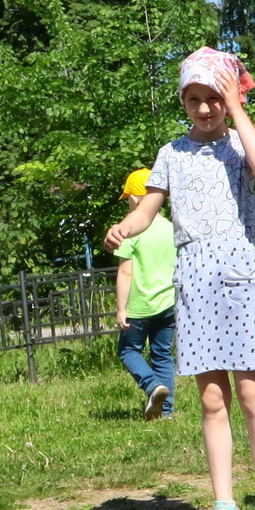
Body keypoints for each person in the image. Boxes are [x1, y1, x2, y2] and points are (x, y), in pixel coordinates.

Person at [104, 48, 255, 510]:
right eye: (194, 99)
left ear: (228, 98)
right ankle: (223, 506)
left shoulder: (240, 144)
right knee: (210, 397)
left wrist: (239, 107)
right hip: (195, 276)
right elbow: (147, 213)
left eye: (213, 98)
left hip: (241, 272)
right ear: (183, 101)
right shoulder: (170, 153)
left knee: (252, 393)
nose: (204, 109)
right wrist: (124, 228)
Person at [111, 167, 176, 421]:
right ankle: (166, 411)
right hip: (167, 304)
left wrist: (121, 309)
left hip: (139, 307)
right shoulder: (171, 228)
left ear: (137, 199)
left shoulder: (129, 231)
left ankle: (151, 386)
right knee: (162, 354)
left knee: (128, 352)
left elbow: (125, 274)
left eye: (128, 197)